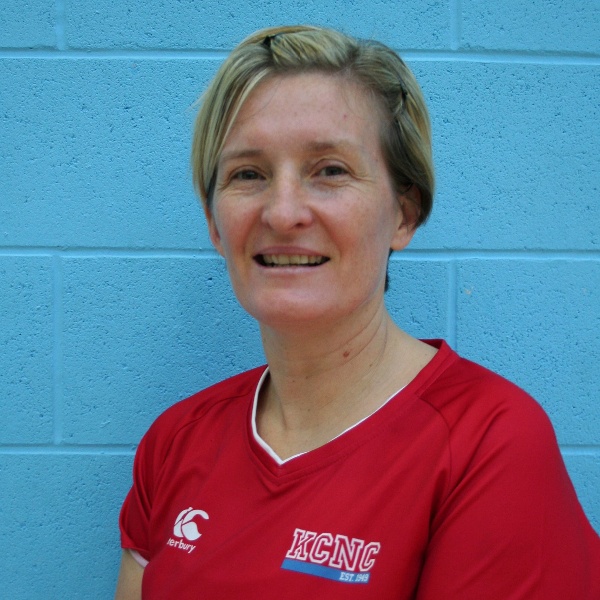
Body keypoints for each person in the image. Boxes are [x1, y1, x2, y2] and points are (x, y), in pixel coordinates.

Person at [115, 24, 600, 599]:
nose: (283, 212)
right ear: (215, 225)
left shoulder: (489, 442)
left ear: (404, 214)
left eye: (330, 170)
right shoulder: (176, 441)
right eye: (248, 174)